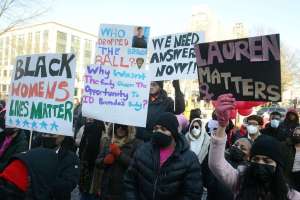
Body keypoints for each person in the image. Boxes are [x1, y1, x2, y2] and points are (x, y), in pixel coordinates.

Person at [209, 94, 300, 200]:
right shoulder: (240, 182)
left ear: (277, 165)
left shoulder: (291, 196)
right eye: (256, 159)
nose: (260, 163)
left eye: (267, 160)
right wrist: (222, 126)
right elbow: (216, 164)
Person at [124, 112, 203, 200]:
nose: (158, 131)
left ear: (173, 133)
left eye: (163, 129)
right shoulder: (142, 151)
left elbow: (192, 193)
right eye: (156, 128)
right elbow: (130, 182)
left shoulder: (189, 159)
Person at [0, 135, 79, 200]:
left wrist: (38, 183)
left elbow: (68, 184)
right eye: (46, 133)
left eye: (53, 134)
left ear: (63, 136)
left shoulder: (70, 158)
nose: (48, 136)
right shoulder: (32, 147)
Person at [93, 124, 142, 200]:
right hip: (106, 190)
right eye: (117, 126)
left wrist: (119, 155)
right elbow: (97, 162)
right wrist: (104, 161)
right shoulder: (109, 142)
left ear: (129, 129)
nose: (120, 129)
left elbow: (136, 165)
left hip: (123, 192)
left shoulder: (136, 144)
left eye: (124, 127)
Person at [78, 119, 105, 200]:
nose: (89, 119)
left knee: (91, 192)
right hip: (86, 167)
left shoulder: (104, 134)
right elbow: (81, 147)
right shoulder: (85, 128)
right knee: (85, 192)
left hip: (95, 169)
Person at [282, 127, 300, 192]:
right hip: (288, 175)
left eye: (299, 135)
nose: (297, 136)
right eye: (295, 134)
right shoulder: (286, 145)